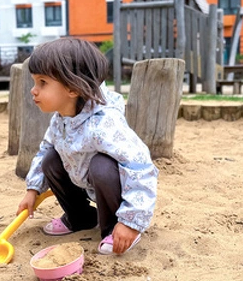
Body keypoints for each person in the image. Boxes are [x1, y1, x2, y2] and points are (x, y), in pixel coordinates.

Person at [16, 38, 158, 255]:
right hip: (82, 180)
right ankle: (80, 217)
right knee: (50, 159)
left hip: (114, 191)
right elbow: (45, 147)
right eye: (34, 82)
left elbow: (140, 166)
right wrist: (33, 189)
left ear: (73, 88)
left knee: (101, 165)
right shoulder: (60, 118)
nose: (33, 91)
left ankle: (114, 228)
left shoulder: (103, 123)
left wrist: (131, 221)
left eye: (42, 83)